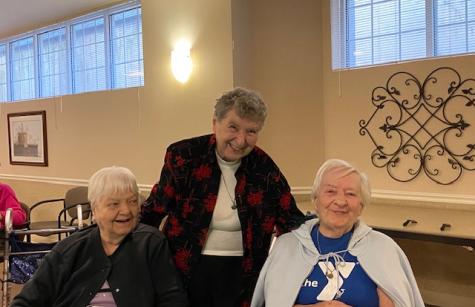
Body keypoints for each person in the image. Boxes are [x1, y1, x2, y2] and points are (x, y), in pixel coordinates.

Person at [141, 87, 305, 307]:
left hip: (243, 274)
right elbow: (156, 209)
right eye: (233, 127)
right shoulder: (184, 156)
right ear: (215, 124)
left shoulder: (264, 169)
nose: (241, 140)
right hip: (187, 270)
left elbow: (291, 221)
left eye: (251, 131)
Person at [251, 159, 424, 307]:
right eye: (330, 191)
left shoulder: (384, 248)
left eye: (350, 194)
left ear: (361, 205)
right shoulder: (286, 246)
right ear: (316, 200)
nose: (341, 201)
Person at [11, 166, 188, 307]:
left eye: (133, 201)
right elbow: (27, 300)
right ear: (94, 209)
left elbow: (172, 299)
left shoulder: (151, 243)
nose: (126, 210)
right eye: (114, 204)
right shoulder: (69, 249)